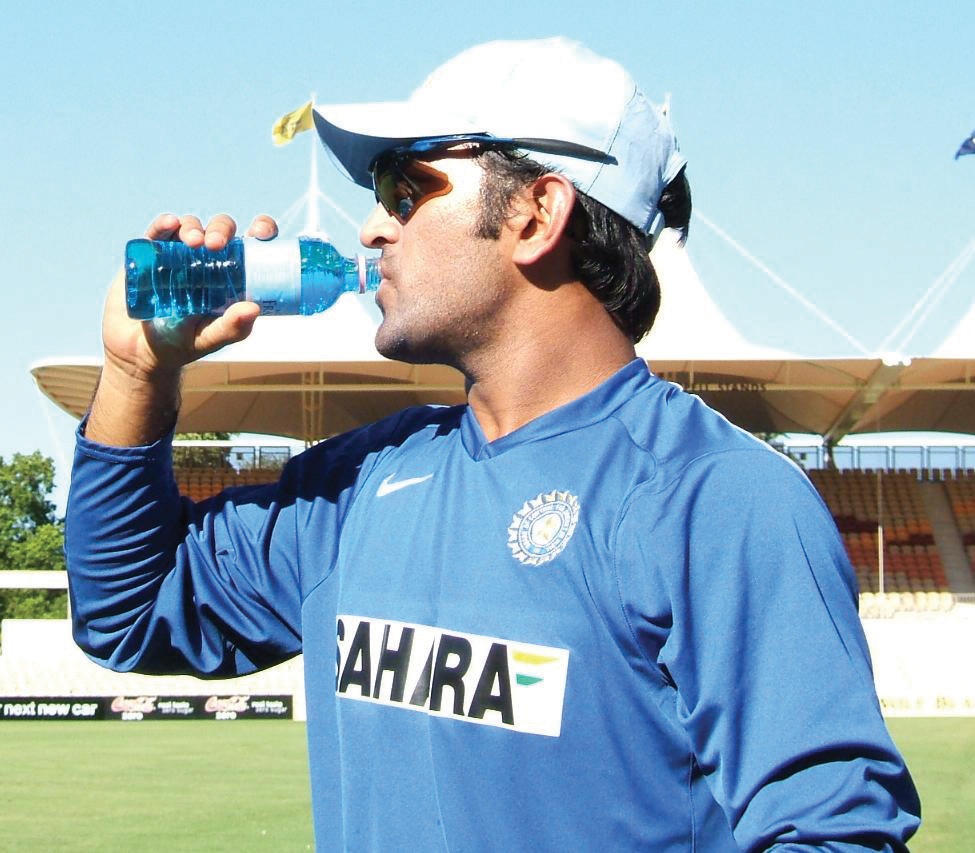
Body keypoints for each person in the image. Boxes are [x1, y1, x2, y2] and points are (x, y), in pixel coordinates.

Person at [65, 37, 920, 851]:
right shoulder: (364, 481)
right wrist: (136, 373)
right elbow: (126, 612)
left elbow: (833, 832)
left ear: (537, 213)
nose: (372, 229)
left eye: (405, 190)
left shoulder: (715, 495)